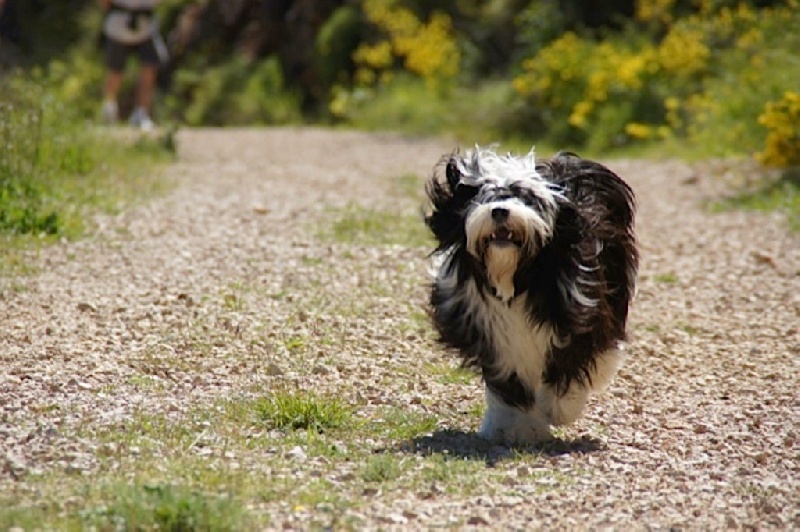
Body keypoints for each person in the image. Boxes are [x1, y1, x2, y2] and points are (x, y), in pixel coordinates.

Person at [100, 0, 166, 130]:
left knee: (149, 68)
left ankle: (141, 113)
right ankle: (108, 108)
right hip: (118, 27)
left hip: (146, 28)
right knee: (115, 72)